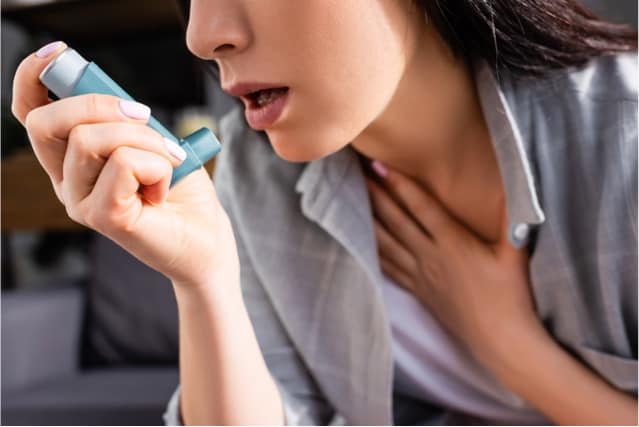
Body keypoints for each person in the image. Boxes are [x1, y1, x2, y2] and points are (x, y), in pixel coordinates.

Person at [11, 0, 637, 424]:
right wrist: (203, 280)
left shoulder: (624, 140)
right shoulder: (261, 177)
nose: (202, 35)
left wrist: (515, 352)